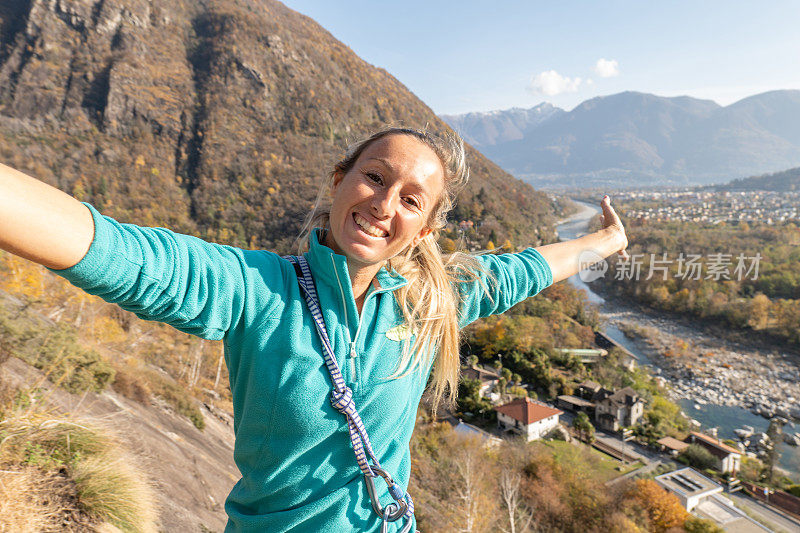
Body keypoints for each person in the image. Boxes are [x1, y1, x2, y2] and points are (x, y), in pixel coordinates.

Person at [0, 126, 628, 532]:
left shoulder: (431, 301)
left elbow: (523, 271)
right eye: (375, 177)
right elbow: (116, 251)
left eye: (411, 200)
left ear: (427, 229)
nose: (384, 205)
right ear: (340, 179)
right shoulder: (254, 289)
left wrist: (605, 239)